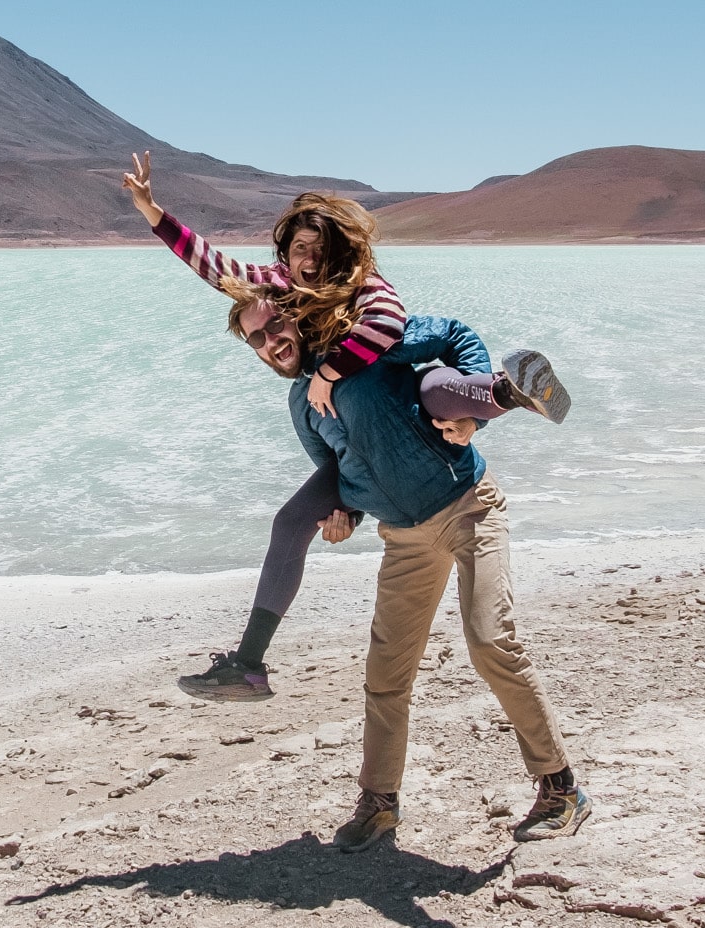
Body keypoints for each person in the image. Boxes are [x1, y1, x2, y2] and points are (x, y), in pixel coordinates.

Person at [122, 151, 570, 695]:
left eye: (318, 249)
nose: (308, 260)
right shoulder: (292, 357)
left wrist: (337, 374)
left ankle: (508, 389)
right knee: (291, 523)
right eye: (297, 249)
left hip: (440, 463)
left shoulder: (365, 294)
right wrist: (153, 211)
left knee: (429, 388)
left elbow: (425, 328)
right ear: (284, 258)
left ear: (338, 252)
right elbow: (219, 270)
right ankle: (248, 664)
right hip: (389, 499)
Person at [226, 288, 591, 847]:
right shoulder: (302, 406)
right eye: (258, 338)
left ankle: (561, 787)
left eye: (275, 326)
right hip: (404, 539)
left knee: (492, 641)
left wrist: (475, 420)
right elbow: (338, 470)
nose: (271, 341)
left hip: (470, 508)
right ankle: (379, 804)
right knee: (386, 674)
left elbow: (456, 335)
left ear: (296, 318)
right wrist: (342, 514)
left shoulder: (365, 343)